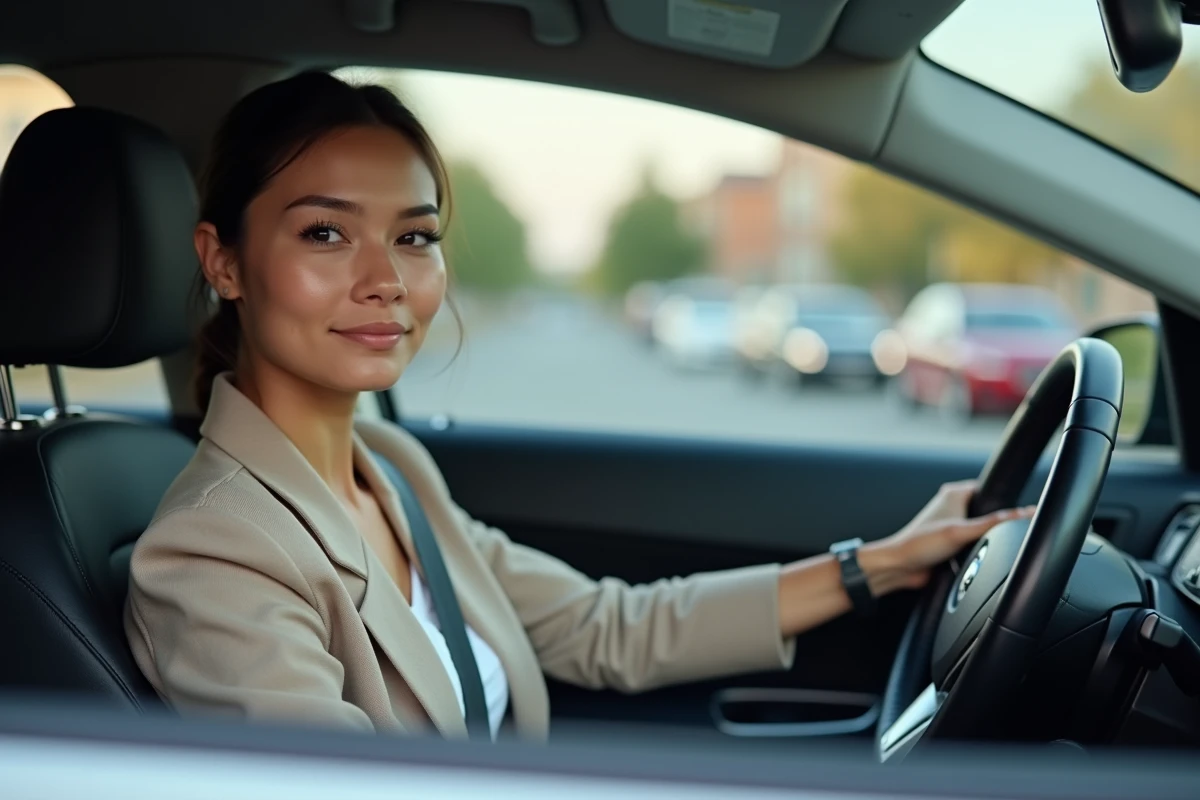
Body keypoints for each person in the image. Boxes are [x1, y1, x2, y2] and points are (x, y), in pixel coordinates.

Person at [124, 72, 1033, 741]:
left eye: (415, 237)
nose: (386, 281)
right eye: (326, 233)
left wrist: (874, 564)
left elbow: (605, 627)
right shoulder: (215, 552)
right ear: (224, 261)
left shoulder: (394, 471)